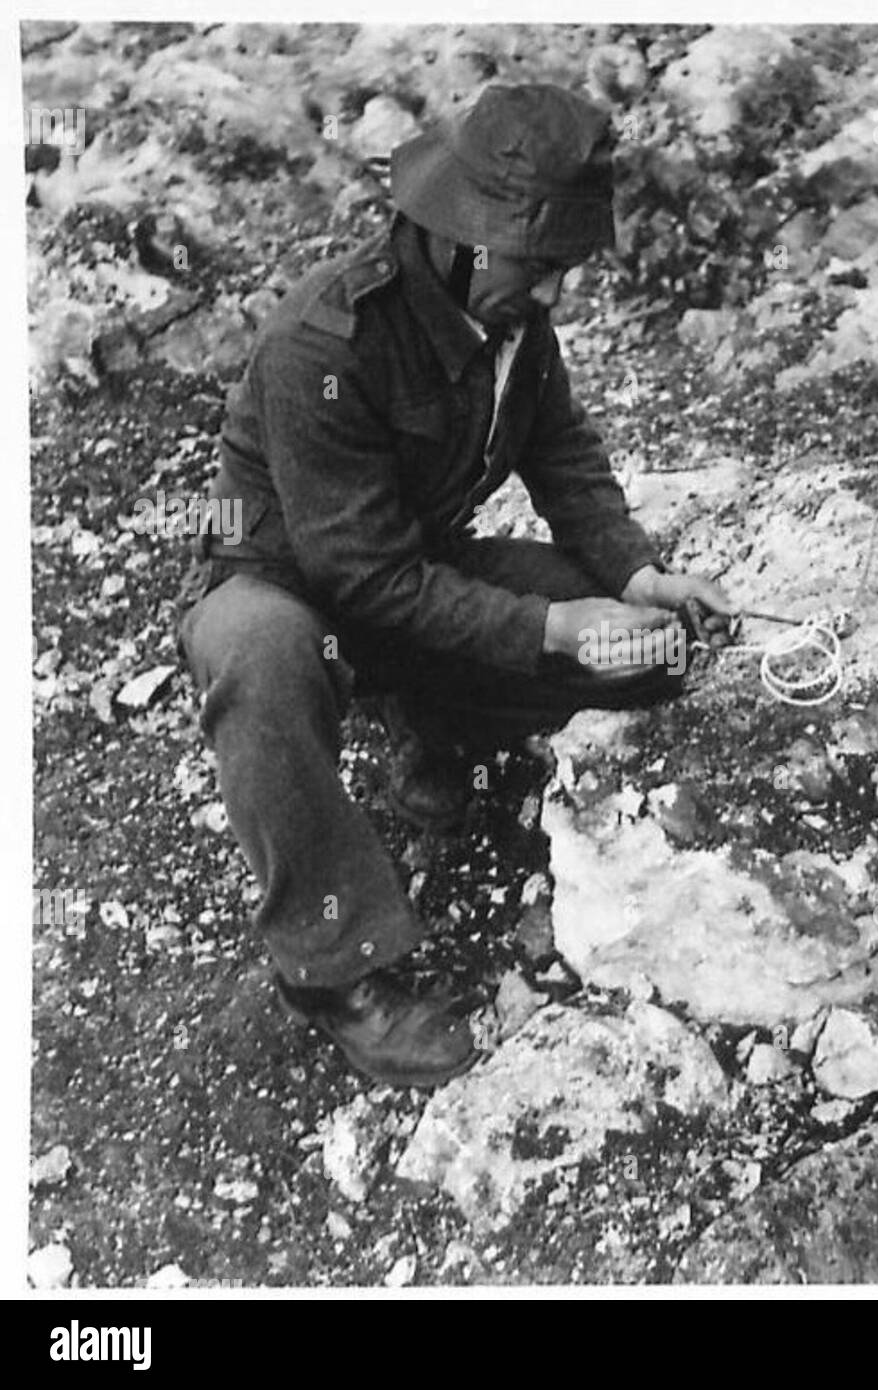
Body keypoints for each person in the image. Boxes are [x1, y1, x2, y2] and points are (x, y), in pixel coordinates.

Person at [177, 82, 732, 1088]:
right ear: (464, 235)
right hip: (285, 587)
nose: (555, 293)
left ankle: (437, 733)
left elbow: (561, 452)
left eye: (562, 266)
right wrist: (556, 625)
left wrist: (639, 575)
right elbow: (362, 574)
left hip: (411, 577)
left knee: (651, 654)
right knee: (262, 660)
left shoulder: (509, 319)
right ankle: (336, 971)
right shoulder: (322, 345)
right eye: (539, 263)